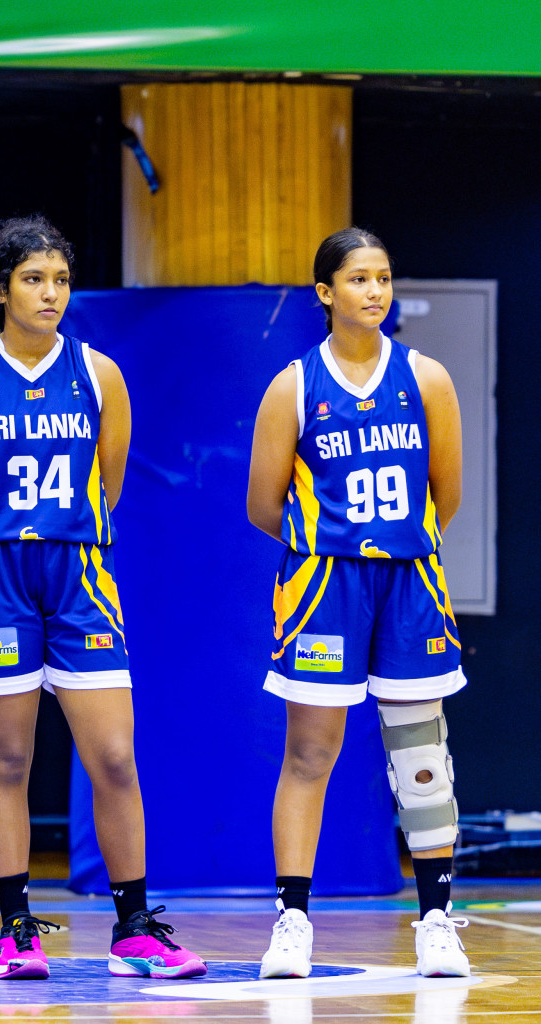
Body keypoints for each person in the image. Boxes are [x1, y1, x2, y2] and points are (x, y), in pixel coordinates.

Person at [0, 216, 206, 981]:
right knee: (7, 757)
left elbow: (108, 484)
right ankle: (16, 930)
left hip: (80, 581)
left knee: (113, 755)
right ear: (0, 289)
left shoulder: (100, 374)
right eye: (34, 279)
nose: (51, 293)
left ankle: (135, 925)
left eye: (61, 279)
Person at [247, 228, 470, 979]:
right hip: (323, 589)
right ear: (325, 292)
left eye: (383, 277)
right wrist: (327, 543)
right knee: (310, 754)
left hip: (409, 583)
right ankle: (293, 922)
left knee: (420, 753)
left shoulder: (427, 378)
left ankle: (437, 921)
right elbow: (261, 504)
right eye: (357, 279)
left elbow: (448, 495)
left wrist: (394, 542)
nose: (374, 291)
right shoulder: (293, 386)